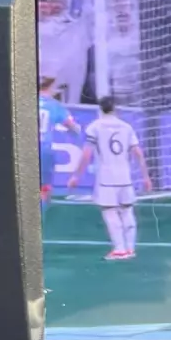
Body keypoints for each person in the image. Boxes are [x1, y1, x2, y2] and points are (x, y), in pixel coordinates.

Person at [66, 95, 152, 262]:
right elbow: (138, 153)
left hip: (107, 177)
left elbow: (87, 154)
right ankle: (130, 248)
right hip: (125, 176)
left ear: (100, 108)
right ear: (115, 108)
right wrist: (146, 177)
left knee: (110, 212)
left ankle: (119, 249)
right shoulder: (126, 127)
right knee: (127, 210)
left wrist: (76, 176)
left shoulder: (95, 127)